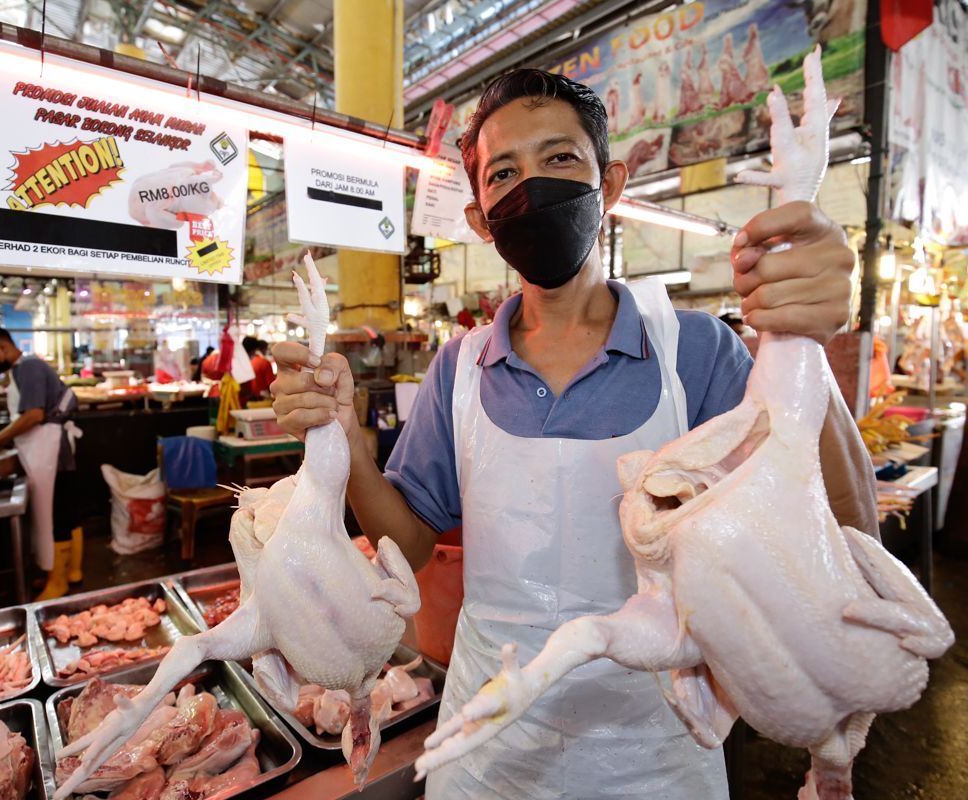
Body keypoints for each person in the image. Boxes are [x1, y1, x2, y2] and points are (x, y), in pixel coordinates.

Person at [269, 70, 876, 798]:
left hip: (657, 749)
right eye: (504, 172)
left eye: (560, 160)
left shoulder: (697, 352)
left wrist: (800, 345)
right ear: (480, 217)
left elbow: (840, 527)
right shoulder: (459, 368)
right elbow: (411, 543)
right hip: (484, 744)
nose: (533, 187)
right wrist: (348, 445)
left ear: (610, 183)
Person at [0, 326, 83, 601]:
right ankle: (69, 572)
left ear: (1, 347)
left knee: (58, 515)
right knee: (65, 512)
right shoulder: (19, 371)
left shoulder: (28, 367)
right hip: (49, 451)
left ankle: (59, 581)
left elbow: (33, 415)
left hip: (53, 452)